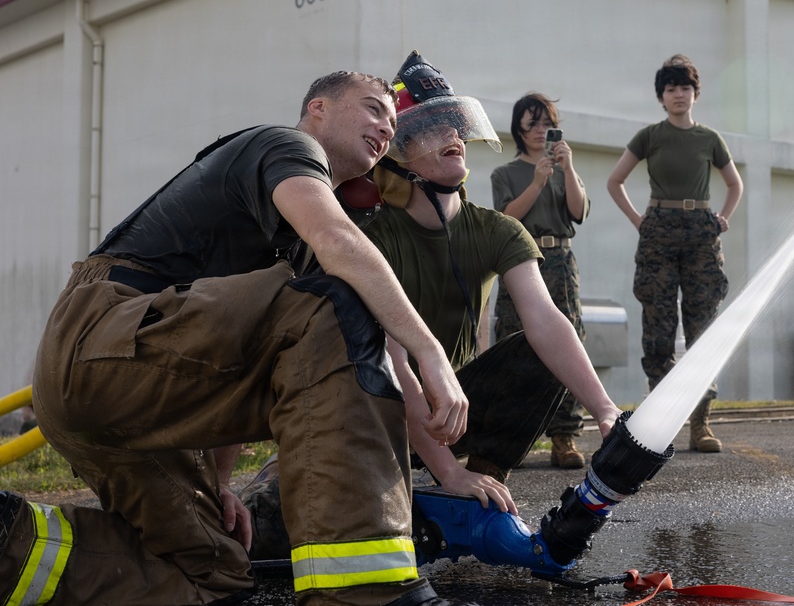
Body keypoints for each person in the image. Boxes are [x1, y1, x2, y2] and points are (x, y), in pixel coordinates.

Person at [1, 71, 478, 606]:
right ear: (317, 108)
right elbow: (335, 239)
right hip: (103, 330)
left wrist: (220, 484)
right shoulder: (286, 145)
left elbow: (235, 358)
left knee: (214, 570)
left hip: (112, 384)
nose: (385, 128)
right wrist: (428, 349)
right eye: (372, 110)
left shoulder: (291, 256)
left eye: (392, 124)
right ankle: (369, 594)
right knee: (338, 298)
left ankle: (10, 544)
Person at [241, 52, 622, 558]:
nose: (454, 137)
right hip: (378, 409)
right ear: (397, 155)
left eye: (455, 125)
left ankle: (479, 489)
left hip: (452, 408)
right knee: (270, 529)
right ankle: (303, 476)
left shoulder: (496, 228)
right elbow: (392, 359)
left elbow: (547, 321)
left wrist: (606, 411)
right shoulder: (370, 237)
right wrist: (447, 470)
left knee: (538, 352)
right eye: (432, 129)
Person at [606, 54, 743, 453]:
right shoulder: (649, 136)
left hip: (701, 232)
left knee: (702, 328)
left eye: (685, 88)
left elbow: (734, 185)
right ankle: (660, 420)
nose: (678, 94)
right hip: (659, 233)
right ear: (661, 97)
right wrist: (639, 221)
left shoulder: (710, 139)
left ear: (695, 94)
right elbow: (616, 182)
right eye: (671, 89)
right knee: (658, 325)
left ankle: (700, 424)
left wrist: (722, 219)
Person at [489, 93, 590, 469]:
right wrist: (536, 182)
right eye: (531, 124)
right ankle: (513, 436)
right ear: (518, 128)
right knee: (517, 344)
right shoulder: (505, 173)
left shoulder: (566, 170)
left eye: (546, 123)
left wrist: (569, 167)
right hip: (520, 259)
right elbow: (508, 218)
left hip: (560, 260)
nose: (539, 131)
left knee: (568, 341)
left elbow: (578, 212)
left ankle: (564, 435)